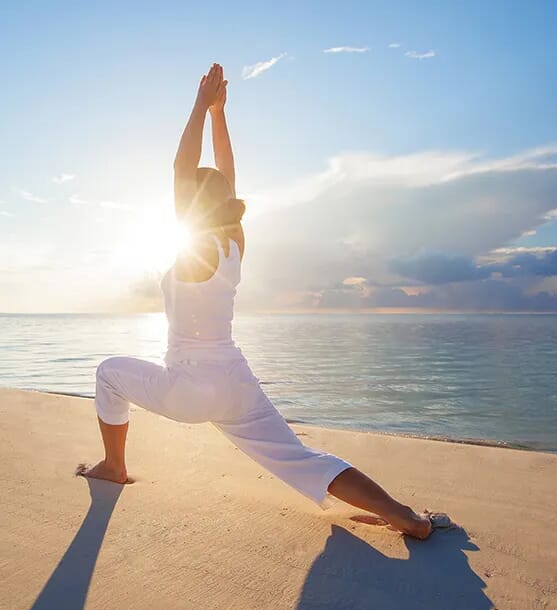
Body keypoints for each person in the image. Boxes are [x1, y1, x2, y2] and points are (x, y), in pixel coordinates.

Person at [80, 63, 447, 539]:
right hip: (236, 380)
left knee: (109, 373)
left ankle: (113, 466)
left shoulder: (194, 248)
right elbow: (227, 178)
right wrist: (219, 115)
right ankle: (405, 517)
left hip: (188, 384)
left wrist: (200, 105)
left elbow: (181, 169)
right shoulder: (233, 244)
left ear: (193, 207)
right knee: (303, 459)